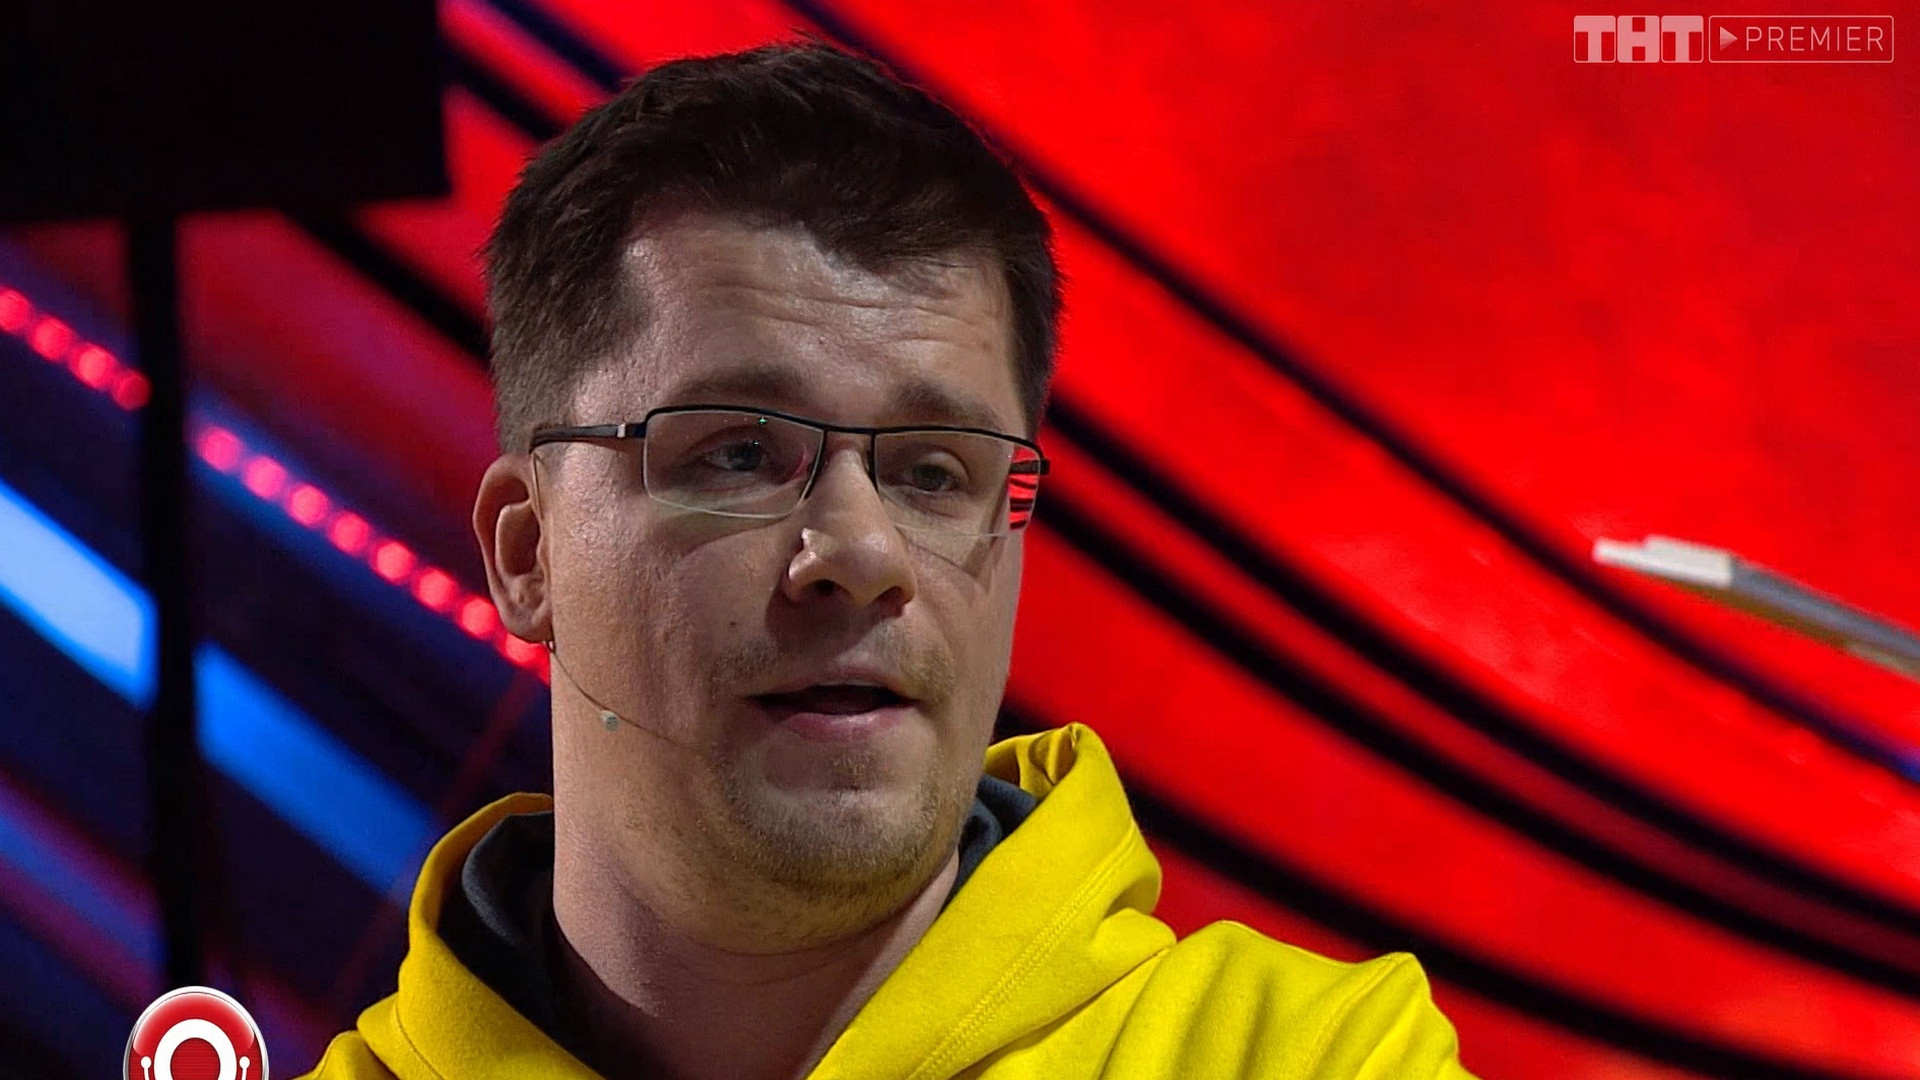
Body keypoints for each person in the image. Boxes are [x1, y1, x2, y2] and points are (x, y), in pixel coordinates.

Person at [300, 42, 1474, 1080]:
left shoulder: (1312, 1059)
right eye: (740, 453)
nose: (862, 553)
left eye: (934, 473)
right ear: (527, 551)